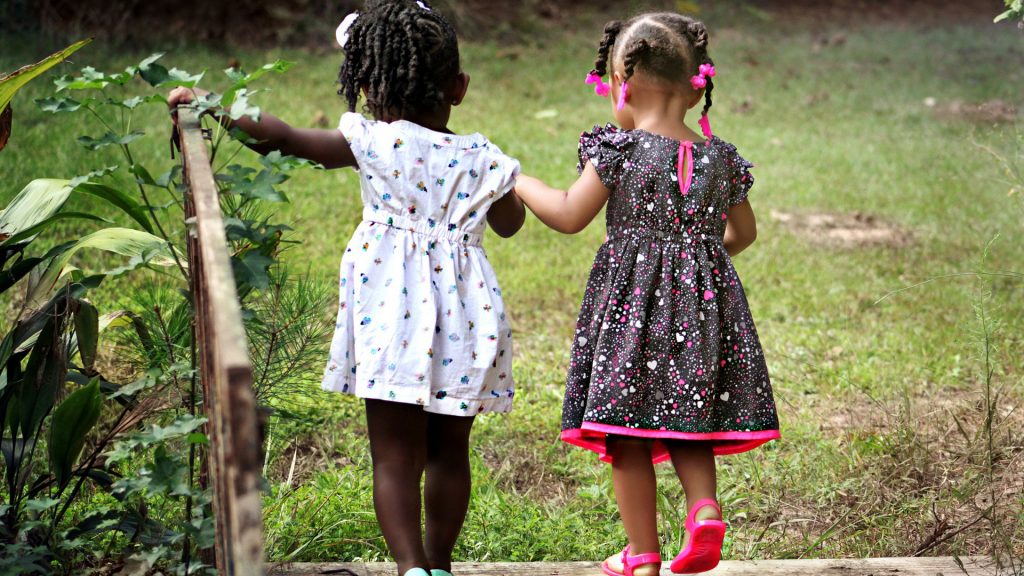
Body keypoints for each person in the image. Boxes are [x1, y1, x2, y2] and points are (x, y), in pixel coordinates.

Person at [169, 2, 524, 575]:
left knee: (394, 455)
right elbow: (510, 223)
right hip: (465, 320)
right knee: (449, 453)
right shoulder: (482, 157)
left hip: (391, 318)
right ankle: (441, 563)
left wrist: (213, 105)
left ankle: (411, 569)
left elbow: (280, 138)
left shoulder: (373, 142)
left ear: (365, 86)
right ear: (459, 88)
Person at [514, 12, 780, 576]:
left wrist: (517, 180)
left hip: (631, 319)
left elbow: (567, 214)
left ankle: (642, 555)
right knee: (688, 418)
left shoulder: (619, 150)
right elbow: (744, 234)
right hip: (702, 315)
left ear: (622, 85)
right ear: (694, 86)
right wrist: (697, 260)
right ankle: (703, 509)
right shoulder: (722, 158)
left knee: (625, 435)